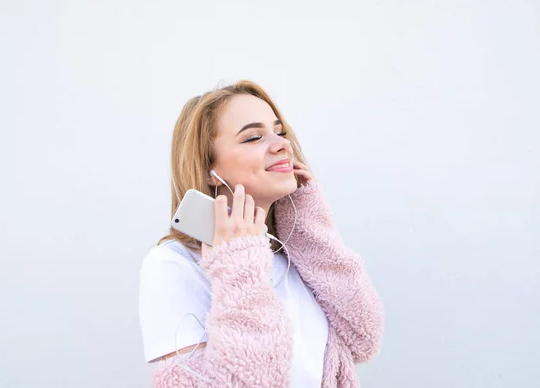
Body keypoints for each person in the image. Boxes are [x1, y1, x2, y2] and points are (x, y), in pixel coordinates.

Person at [138, 80, 384, 387]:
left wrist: (310, 229)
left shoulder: (293, 259)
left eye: (279, 132)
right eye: (254, 137)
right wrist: (239, 265)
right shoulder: (172, 265)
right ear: (208, 170)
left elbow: (364, 335)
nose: (282, 144)